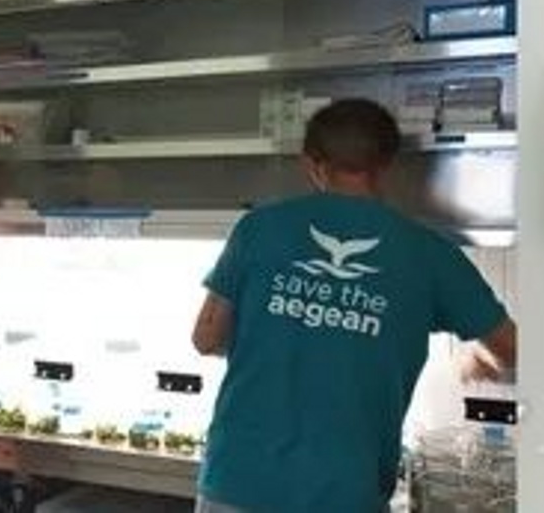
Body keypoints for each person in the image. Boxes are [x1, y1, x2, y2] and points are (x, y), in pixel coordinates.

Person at [190, 98, 517, 513]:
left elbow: (206, 338)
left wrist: (280, 331)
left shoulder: (259, 228)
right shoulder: (431, 254)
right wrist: (480, 358)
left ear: (312, 164)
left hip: (238, 484)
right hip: (345, 491)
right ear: (386, 165)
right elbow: (510, 348)